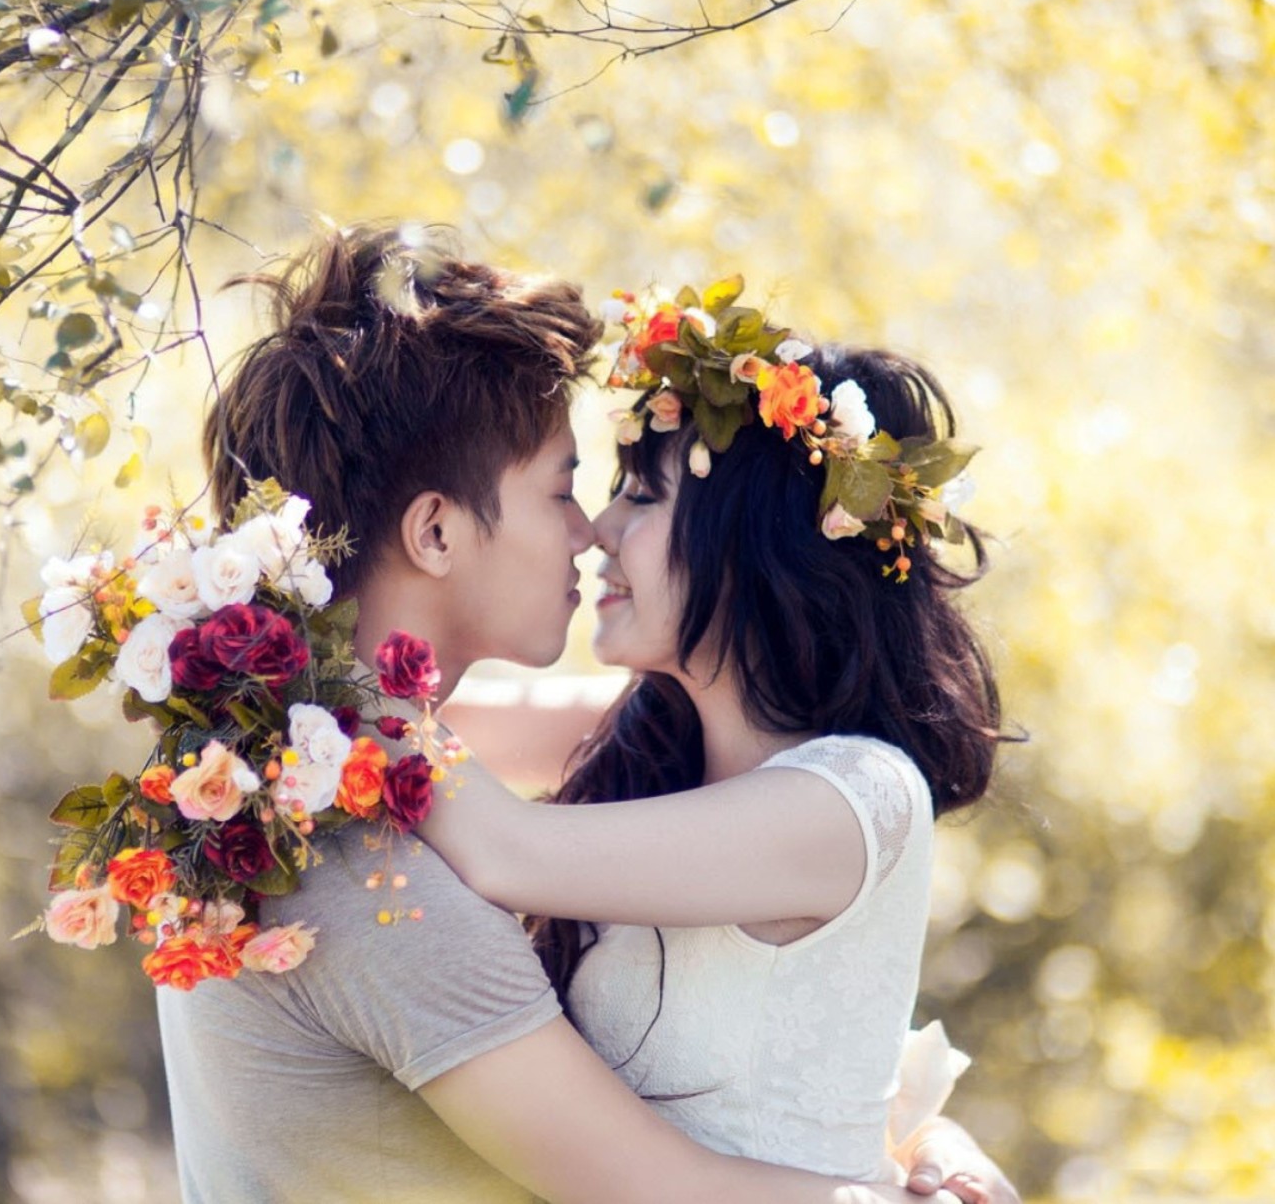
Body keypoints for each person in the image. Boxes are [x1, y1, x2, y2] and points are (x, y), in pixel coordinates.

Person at [155, 224, 1017, 1203]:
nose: (591, 530)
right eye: (568, 489)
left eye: (633, 497)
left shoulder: (826, 787)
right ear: (434, 531)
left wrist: (918, 1140)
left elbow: (794, 1011)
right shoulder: (366, 870)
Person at [403, 285, 1004, 1188]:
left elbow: (501, 845)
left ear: (752, 544)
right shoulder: (651, 738)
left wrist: (315, 694)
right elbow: (439, 723)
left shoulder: (854, 797)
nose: (597, 530)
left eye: (642, 497)